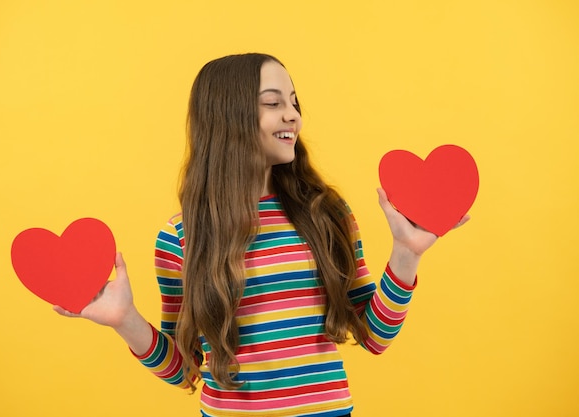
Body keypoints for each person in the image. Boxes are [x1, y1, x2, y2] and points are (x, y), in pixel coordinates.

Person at [54, 53, 468, 417]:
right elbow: (186, 370)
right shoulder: (181, 236)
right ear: (226, 116)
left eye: (294, 102)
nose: (293, 115)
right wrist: (125, 320)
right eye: (273, 103)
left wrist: (406, 254)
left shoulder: (327, 214)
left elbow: (374, 337)